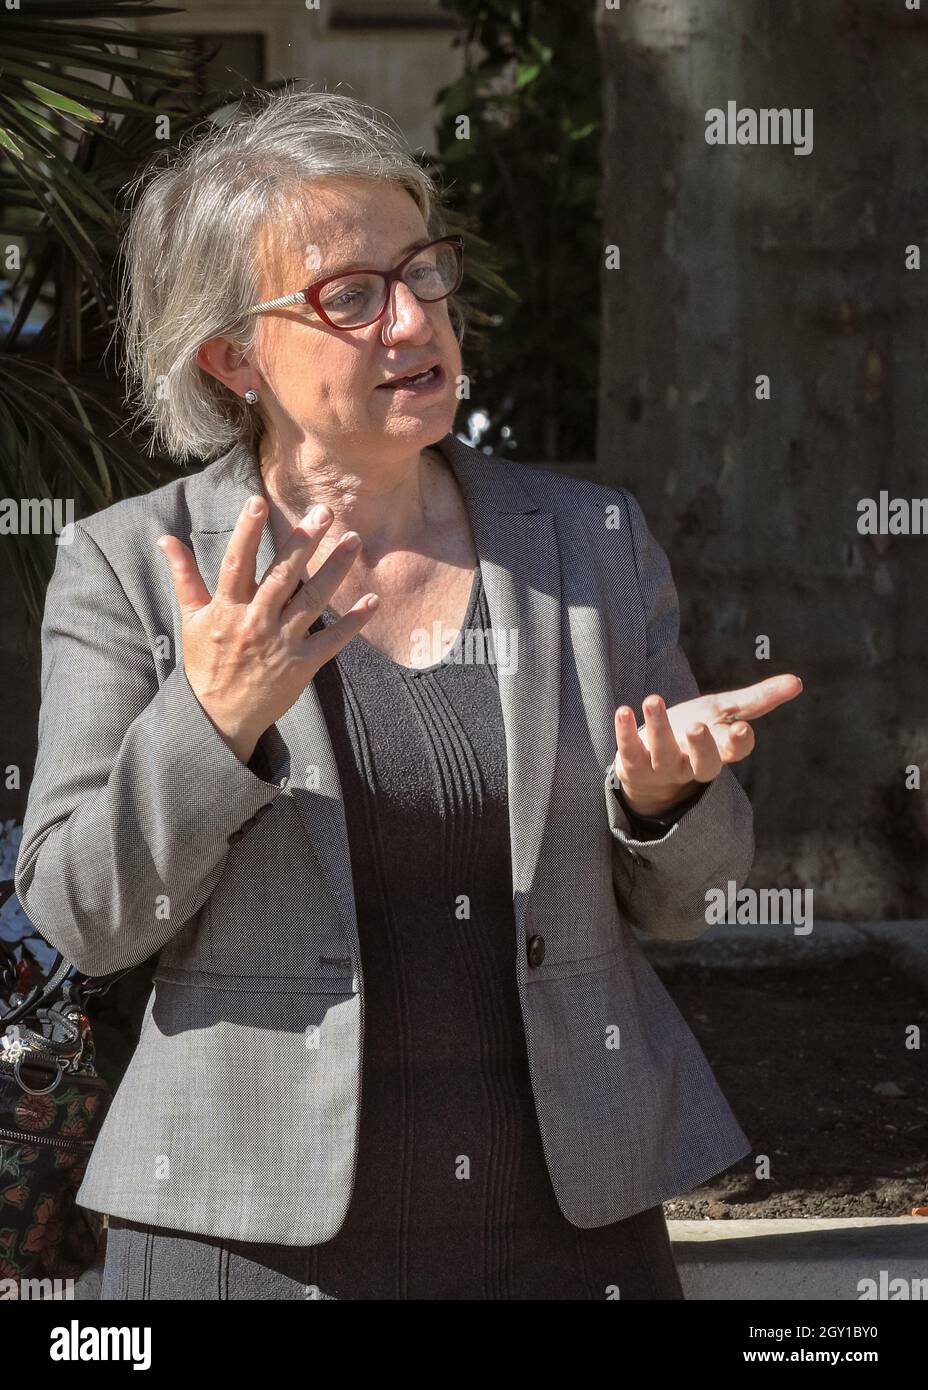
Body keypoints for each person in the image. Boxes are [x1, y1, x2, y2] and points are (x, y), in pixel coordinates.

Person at [15, 85, 801, 1300]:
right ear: (234, 357)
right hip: (249, 1240)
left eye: (423, 272)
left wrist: (661, 803)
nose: (413, 318)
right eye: (350, 295)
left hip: (567, 1227)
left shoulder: (587, 539)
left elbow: (695, 900)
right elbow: (82, 920)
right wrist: (209, 724)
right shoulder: (129, 565)